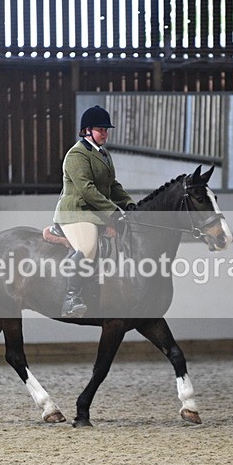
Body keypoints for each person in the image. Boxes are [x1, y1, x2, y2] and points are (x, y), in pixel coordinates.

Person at [53, 105, 137, 318]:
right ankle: (70, 298)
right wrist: (112, 212)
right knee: (88, 247)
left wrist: (128, 203)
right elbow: (87, 190)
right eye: (101, 130)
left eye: (106, 130)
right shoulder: (76, 155)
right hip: (76, 213)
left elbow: (112, 185)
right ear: (86, 131)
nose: (105, 134)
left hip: (95, 211)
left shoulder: (105, 154)